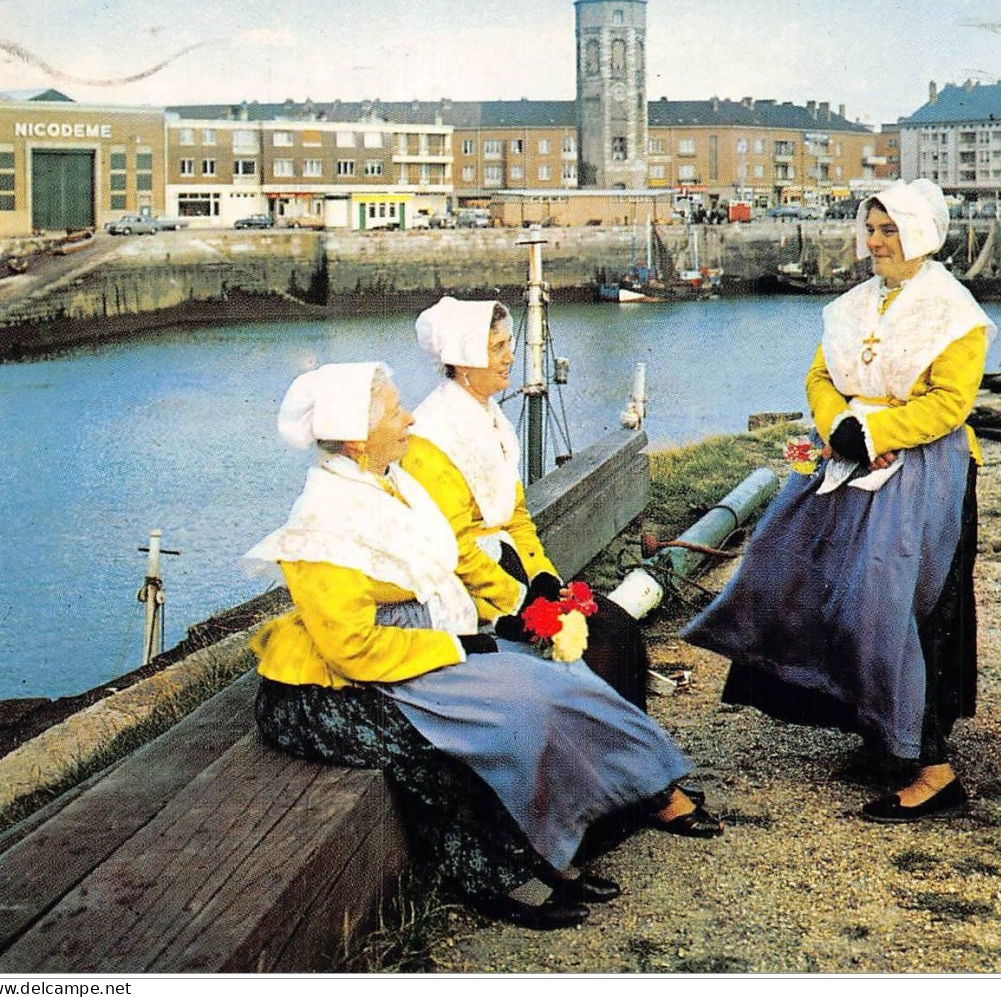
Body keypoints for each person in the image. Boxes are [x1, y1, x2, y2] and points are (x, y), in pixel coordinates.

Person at [244, 362, 715, 932]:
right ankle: (501, 875)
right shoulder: (322, 522)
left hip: (414, 655)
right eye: (395, 411)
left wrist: (510, 614)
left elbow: (455, 563)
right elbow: (352, 649)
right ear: (353, 435)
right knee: (516, 716)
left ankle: (591, 826)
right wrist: (461, 646)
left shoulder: (390, 483)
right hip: (333, 691)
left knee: (561, 682)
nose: (409, 417)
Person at [682, 179, 991, 822]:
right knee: (798, 574)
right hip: (845, 455)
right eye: (871, 229)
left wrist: (874, 430)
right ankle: (880, 730)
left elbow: (951, 403)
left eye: (890, 231)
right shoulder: (852, 305)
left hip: (921, 467)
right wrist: (838, 425)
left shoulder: (954, 313)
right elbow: (821, 375)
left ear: (922, 236)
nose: (876, 242)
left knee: (889, 607)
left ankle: (932, 767)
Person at [399, 296, 659, 718]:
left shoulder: (491, 420)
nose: (511, 357)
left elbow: (516, 516)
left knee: (618, 627)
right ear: (463, 362)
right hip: (470, 590)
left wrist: (544, 578)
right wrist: (521, 601)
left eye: (509, 344)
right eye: (498, 348)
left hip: (511, 568)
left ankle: (631, 762)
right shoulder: (430, 438)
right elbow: (456, 547)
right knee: (599, 646)